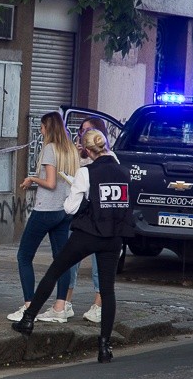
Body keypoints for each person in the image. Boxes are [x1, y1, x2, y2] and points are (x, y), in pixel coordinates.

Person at [11, 128, 135, 364]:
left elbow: (70, 208)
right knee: (107, 290)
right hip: (114, 237)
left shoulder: (86, 173)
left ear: (87, 151)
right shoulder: (124, 171)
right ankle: (104, 346)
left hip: (88, 233)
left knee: (56, 271)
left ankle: (28, 321)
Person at [7, 111, 79, 324]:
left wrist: (32, 178)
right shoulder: (71, 150)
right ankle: (60, 307)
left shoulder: (50, 149)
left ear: (48, 128)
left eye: (41, 127)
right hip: (64, 211)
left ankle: (29, 306)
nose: (40, 130)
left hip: (46, 210)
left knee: (24, 256)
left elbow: (50, 183)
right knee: (62, 260)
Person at [64, 116, 120, 323]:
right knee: (69, 261)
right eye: (81, 130)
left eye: (88, 130)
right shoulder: (78, 156)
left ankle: (98, 304)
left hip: (100, 218)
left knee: (100, 263)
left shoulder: (109, 157)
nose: (83, 134)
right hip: (80, 216)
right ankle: (65, 302)